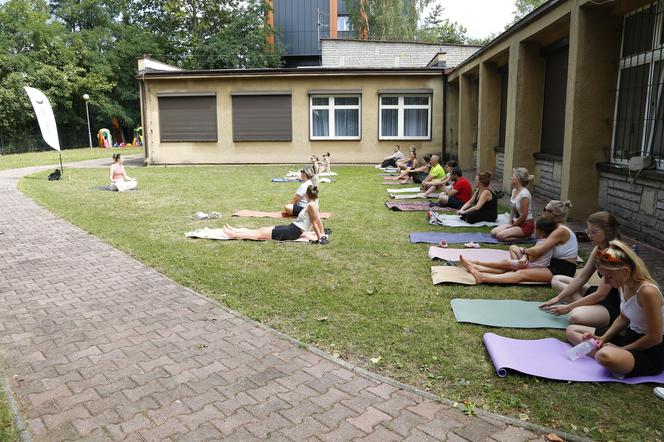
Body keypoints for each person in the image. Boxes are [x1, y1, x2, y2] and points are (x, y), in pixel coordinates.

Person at [566, 240, 664, 378]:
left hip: (649, 350)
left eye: (608, 277)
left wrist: (621, 349)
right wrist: (603, 338)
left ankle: (616, 358)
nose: (605, 282)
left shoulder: (647, 292)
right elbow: (623, 318)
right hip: (629, 337)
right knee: (572, 331)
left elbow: (655, 338)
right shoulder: (623, 284)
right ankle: (616, 359)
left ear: (625, 271)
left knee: (604, 355)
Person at [461, 200, 578, 284]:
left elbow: (537, 251)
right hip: (552, 264)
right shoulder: (553, 228)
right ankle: (475, 265)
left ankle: (483, 277)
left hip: (562, 269)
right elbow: (538, 249)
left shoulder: (560, 231)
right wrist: (525, 255)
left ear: (552, 213)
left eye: (544, 210)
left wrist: (524, 251)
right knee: (513, 266)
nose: (542, 212)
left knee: (520, 274)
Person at [540, 211, 622, 327]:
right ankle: (586, 306)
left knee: (575, 316)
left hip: (612, 303)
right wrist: (558, 298)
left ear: (607, 232)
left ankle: (586, 307)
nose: (589, 235)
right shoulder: (599, 247)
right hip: (599, 293)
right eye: (588, 231)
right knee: (556, 280)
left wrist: (568, 307)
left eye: (594, 232)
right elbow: (583, 277)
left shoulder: (613, 254)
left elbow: (601, 295)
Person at [224, 180, 328, 243]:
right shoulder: (314, 204)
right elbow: (318, 220)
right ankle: (236, 230)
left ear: (306, 195)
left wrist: (319, 238)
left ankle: (234, 235)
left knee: (260, 234)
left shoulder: (311, 205)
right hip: (292, 227)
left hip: (293, 232)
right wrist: (322, 233)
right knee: (262, 228)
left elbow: (315, 222)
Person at [460, 217, 556, 273]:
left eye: (536, 229)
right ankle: (514, 268)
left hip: (535, 266)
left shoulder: (545, 242)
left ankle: (477, 263)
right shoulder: (541, 239)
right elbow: (531, 251)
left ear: (542, 232)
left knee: (505, 262)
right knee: (513, 247)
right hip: (528, 262)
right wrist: (524, 255)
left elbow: (533, 257)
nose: (534, 231)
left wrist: (524, 255)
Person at [491, 168, 534, 242]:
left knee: (500, 236)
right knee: (493, 233)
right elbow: (513, 209)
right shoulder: (514, 191)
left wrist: (514, 225)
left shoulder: (524, 194)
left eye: (513, 176)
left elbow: (524, 215)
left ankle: (525, 238)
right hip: (517, 222)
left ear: (518, 179)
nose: (511, 178)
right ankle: (517, 234)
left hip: (526, 225)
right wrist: (509, 223)